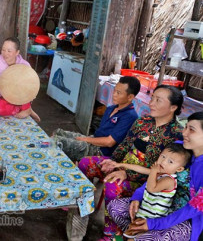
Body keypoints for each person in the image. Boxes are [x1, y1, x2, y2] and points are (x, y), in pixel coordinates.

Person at [78, 85, 184, 240]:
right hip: (122, 165)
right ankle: (82, 212)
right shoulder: (143, 122)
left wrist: (125, 172)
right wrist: (112, 162)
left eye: (158, 100)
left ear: (173, 107)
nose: (151, 103)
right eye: (152, 98)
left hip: (145, 179)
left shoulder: (176, 135)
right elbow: (125, 145)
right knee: (85, 163)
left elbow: (163, 171)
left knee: (113, 185)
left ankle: (112, 234)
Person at [108, 111, 203, 240]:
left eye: (191, 130)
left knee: (146, 238)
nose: (184, 133)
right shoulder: (180, 148)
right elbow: (156, 172)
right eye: (185, 127)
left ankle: (139, 236)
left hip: (184, 219)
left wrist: (154, 224)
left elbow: (193, 209)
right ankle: (134, 234)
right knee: (115, 208)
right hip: (155, 203)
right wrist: (138, 196)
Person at [107, 143, 191, 238]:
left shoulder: (169, 180)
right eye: (163, 156)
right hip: (144, 211)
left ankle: (132, 235)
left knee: (138, 235)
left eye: (170, 162)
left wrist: (154, 172)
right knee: (114, 208)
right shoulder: (161, 173)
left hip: (153, 218)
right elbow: (140, 169)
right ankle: (128, 233)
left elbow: (151, 188)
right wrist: (120, 164)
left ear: (179, 169)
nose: (163, 162)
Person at [53, 76, 140, 162]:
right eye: (114, 90)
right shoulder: (111, 108)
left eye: (118, 93)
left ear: (130, 97)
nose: (114, 95)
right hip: (94, 140)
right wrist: (87, 139)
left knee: (58, 142)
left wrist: (86, 140)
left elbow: (109, 142)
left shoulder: (130, 116)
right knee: (58, 132)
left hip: (101, 151)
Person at [0, 37, 40, 122]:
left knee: (21, 84)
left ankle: (26, 108)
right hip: (2, 95)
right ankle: (23, 109)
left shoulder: (25, 65)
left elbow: (31, 87)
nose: (5, 53)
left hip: (20, 97)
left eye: (9, 51)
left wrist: (27, 101)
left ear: (17, 52)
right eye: (3, 50)